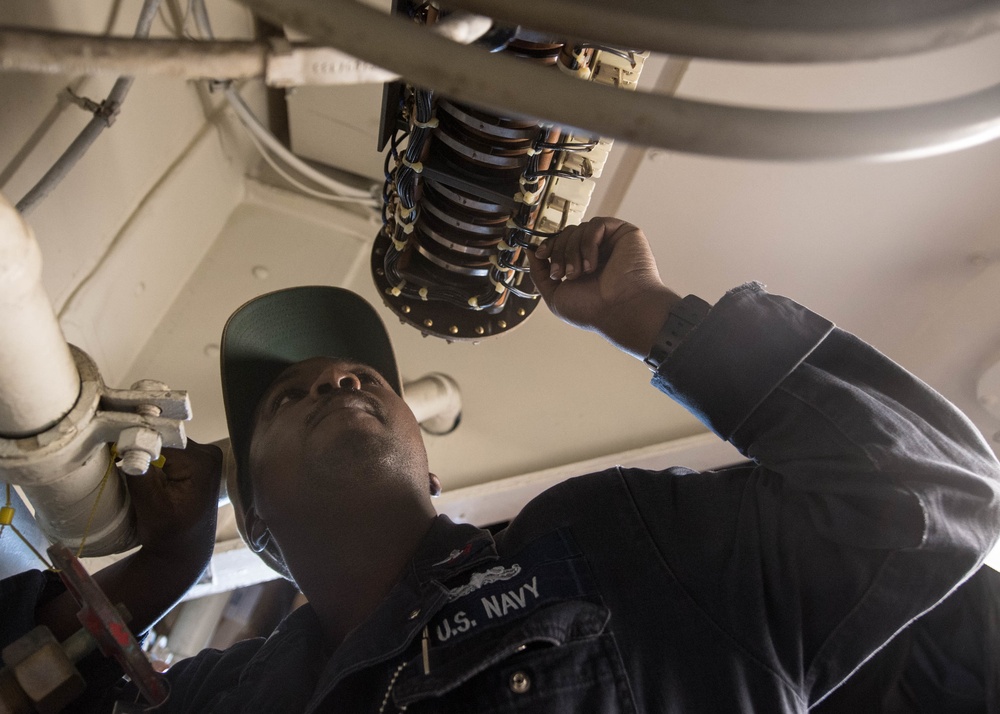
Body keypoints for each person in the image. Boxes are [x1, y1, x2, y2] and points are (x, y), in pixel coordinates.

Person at [2, 217, 999, 713]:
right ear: (254, 520)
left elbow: (927, 497)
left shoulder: (613, 541)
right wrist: (154, 575)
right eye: (290, 399)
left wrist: (652, 320)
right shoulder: (242, 695)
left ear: (431, 469)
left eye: (360, 379)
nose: (337, 382)